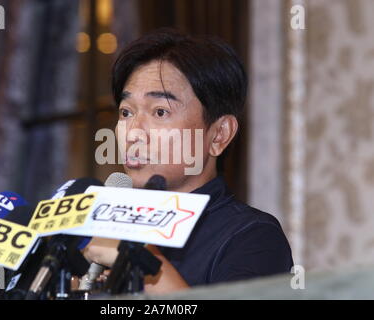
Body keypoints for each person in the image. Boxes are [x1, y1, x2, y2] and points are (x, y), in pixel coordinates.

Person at [83, 28, 293, 295]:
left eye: (160, 112)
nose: (133, 132)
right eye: (126, 112)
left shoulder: (252, 237)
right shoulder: (96, 229)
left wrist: (146, 264)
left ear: (219, 134)